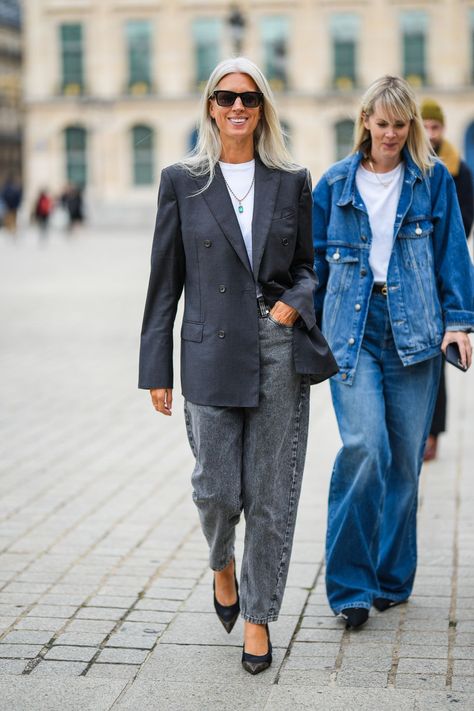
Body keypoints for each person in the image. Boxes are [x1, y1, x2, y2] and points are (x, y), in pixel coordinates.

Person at [139, 57, 336, 673]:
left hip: (278, 350)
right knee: (217, 491)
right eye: (225, 98)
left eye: (248, 99)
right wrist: (156, 369)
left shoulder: (291, 179)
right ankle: (222, 565)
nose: (237, 108)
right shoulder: (182, 180)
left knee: (272, 497)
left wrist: (293, 304)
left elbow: (310, 266)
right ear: (210, 107)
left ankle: (257, 618)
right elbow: (164, 281)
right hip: (209, 350)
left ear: (262, 108)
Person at [312, 76, 473, 629]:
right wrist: (301, 329)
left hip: (415, 334)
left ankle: (391, 577)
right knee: (365, 448)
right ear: (365, 122)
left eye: (399, 126)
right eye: (381, 124)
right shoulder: (333, 185)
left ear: (410, 129)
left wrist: (459, 323)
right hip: (351, 333)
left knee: (404, 461)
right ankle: (351, 586)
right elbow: (312, 265)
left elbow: (453, 251)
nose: (389, 134)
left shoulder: (432, 182)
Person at [420, 99, 474, 461]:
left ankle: (433, 433)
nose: (431, 134)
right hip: (413, 267)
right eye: (425, 127)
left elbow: (464, 219)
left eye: (436, 128)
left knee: (440, 356)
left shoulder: (457, 170)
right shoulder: (410, 165)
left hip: (441, 270)